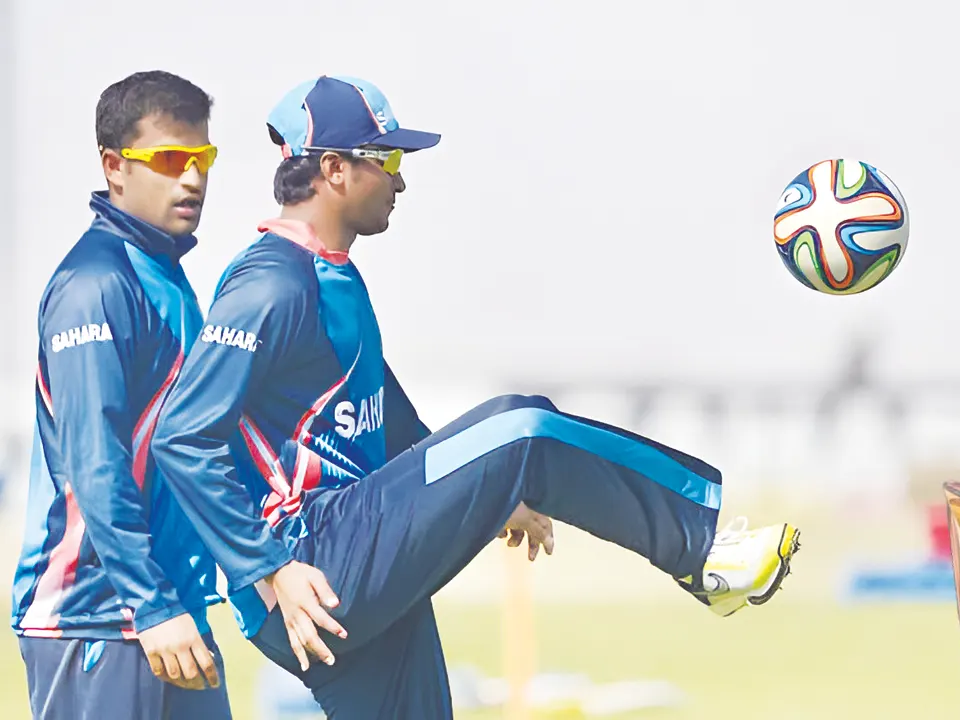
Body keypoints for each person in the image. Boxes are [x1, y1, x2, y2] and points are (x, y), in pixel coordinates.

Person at [149, 75, 801, 718]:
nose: (401, 181)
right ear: (334, 169)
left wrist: (491, 494)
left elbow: (391, 424)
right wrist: (270, 566)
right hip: (307, 560)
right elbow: (181, 436)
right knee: (524, 430)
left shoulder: (332, 274)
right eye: (388, 160)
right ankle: (700, 550)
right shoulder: (270, 283)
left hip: (346, 559)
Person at [10, 70, 231, 719]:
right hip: (98, 617)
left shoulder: (166, 277)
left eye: (202, 157)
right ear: (114, 166)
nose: (192, 178)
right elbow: (95, 463)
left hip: (167, 607)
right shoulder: (95, 286)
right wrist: (150, 603)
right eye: (169, 159)